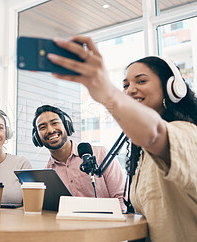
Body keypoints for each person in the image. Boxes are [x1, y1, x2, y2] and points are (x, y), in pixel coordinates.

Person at [45, 35, 197, 241]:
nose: (131, 89)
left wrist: (106, 93)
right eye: (125, 85)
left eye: (141, 81)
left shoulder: (187, 133)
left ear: (172, 88)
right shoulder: (143, 153)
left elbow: (155, 134)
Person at [32, 105, 126, 211]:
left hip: (106, 224)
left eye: (54, 123)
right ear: (37, 138)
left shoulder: (101, 154)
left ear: (67, 126)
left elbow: (121, 197)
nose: (50, 130)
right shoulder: (48, 174)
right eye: (42, 127)